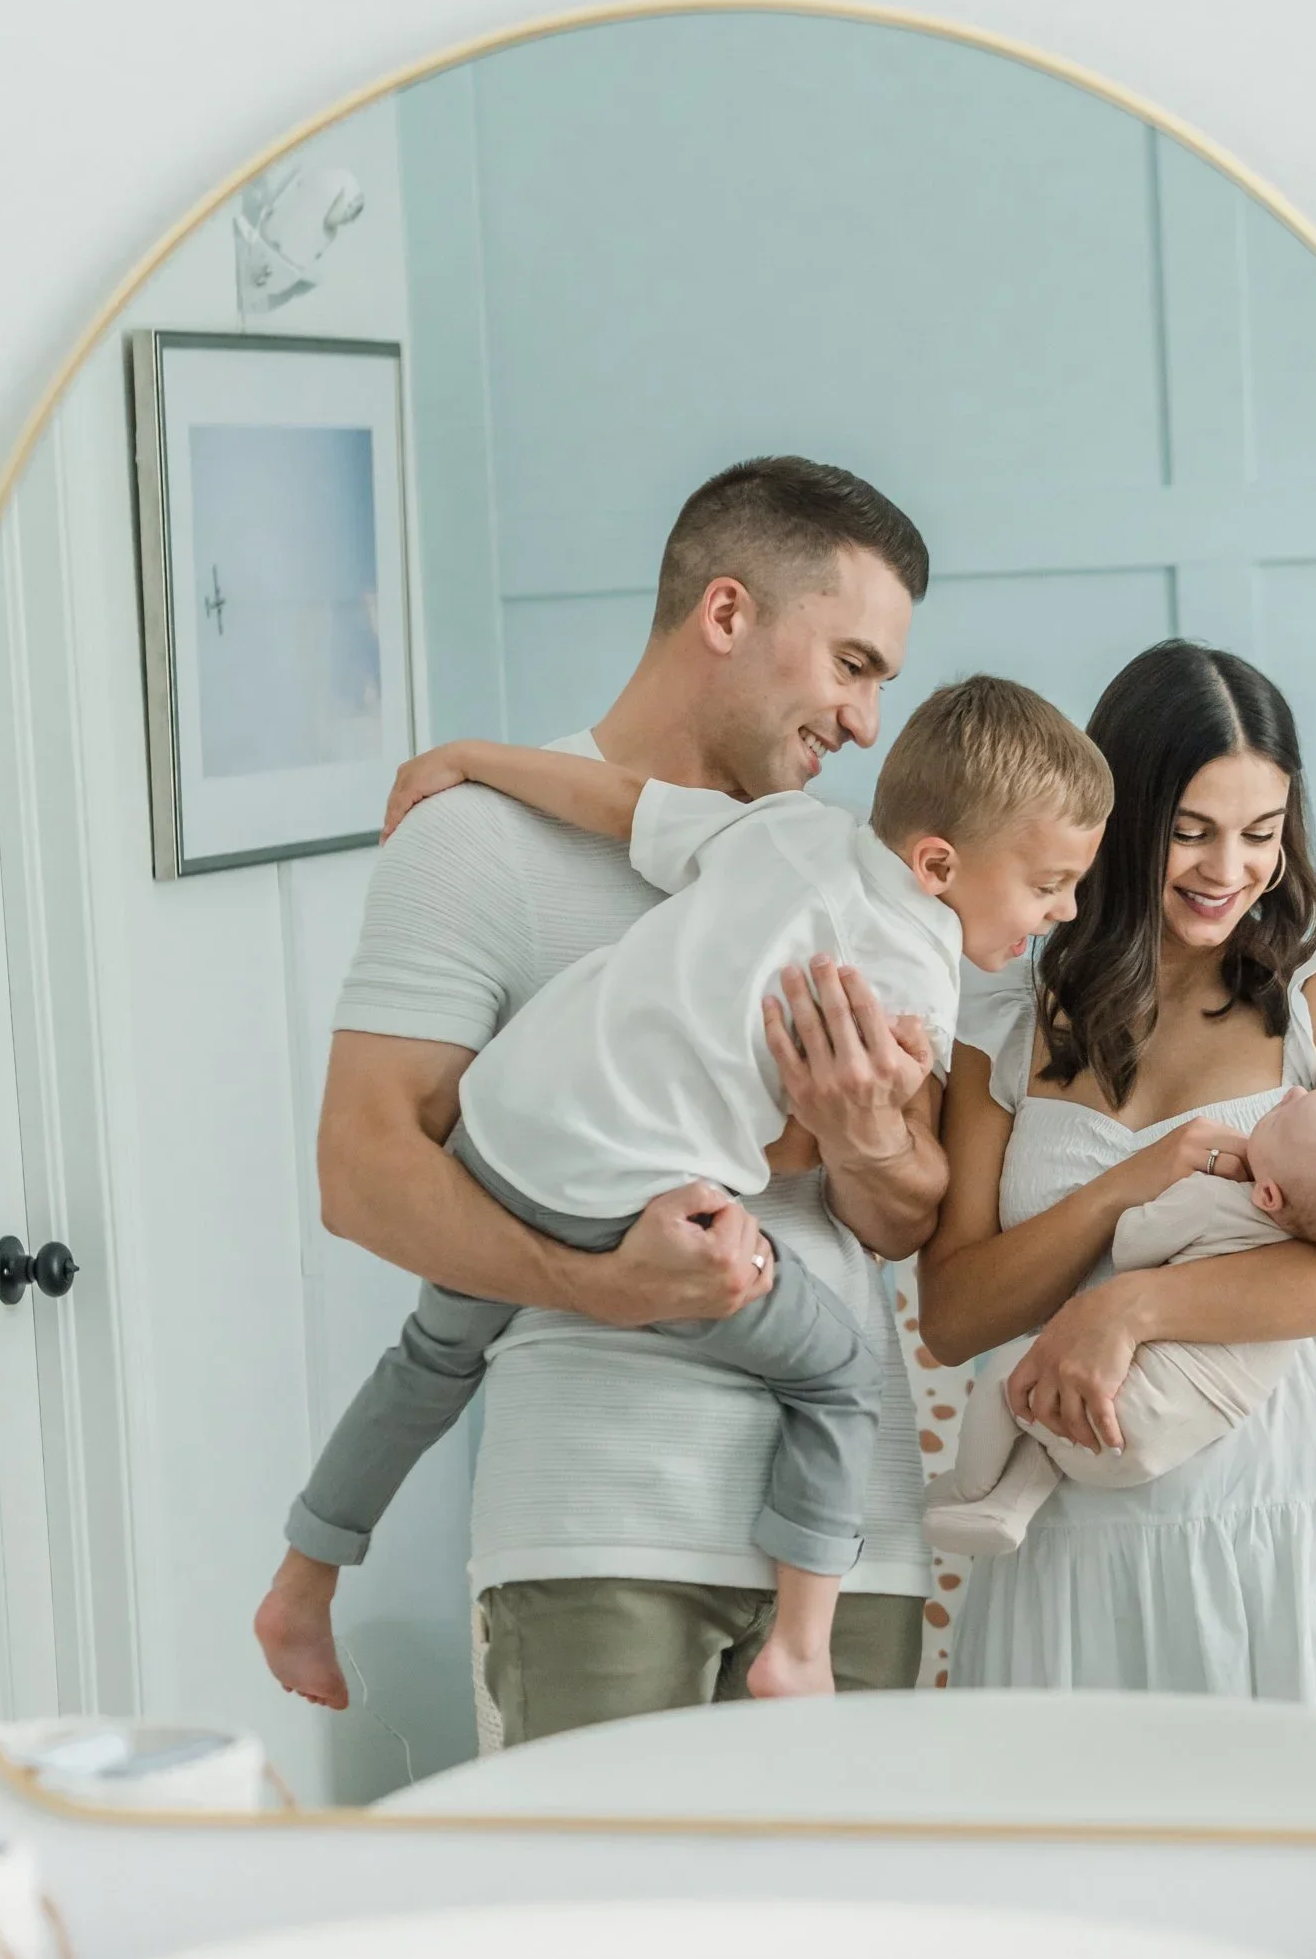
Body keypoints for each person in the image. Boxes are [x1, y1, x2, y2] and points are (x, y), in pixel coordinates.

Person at [255, 456, 951, 1742]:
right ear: (729, 614)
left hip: (850, 1554)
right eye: (851, 665)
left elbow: (908, 1219)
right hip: (599, 1533)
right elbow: (362, 1174)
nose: (865, 725)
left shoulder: (842, 876)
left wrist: (865, 1138)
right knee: (604, 1936)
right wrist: (596, 1284)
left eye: (882, 686)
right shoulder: (479, 840)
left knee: (855, 1940)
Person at [274, 678, 1109, 1699]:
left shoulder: (785, 830)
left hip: (501, 1132)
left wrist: (469, 759)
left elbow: (620, 805)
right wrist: (867, 1116)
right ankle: (800, 1647)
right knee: (836, 1376)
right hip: (615, 1200)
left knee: (430, 1359)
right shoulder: (913, 970)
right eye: (1050, 885)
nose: (1063, 911)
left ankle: (302, 1582)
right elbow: (808, 1155)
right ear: (939, 865)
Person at [919, 638, 1316, 1744]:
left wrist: (1125, 1306)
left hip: (1304, 1514)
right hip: (1078, 1550)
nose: (1226, 868)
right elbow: (951, 1315)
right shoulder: (1004, 1034)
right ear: (1116, 817)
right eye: (1189, 831)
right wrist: (1111, 1199)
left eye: (1261, 833)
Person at [924, 1082, 1316, 1556]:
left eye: (1292, 1113)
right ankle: (1005, 1508)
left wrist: (1143, 1212)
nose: (1294, 1093)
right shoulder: (1305, 1255)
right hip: (1186, 1433)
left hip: (1119, 1408)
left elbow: (1132, 1246)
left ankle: (969, 1490)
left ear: (1268, 1196)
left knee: (1015, 1384)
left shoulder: (1212, 1200)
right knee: (1051, 1431)